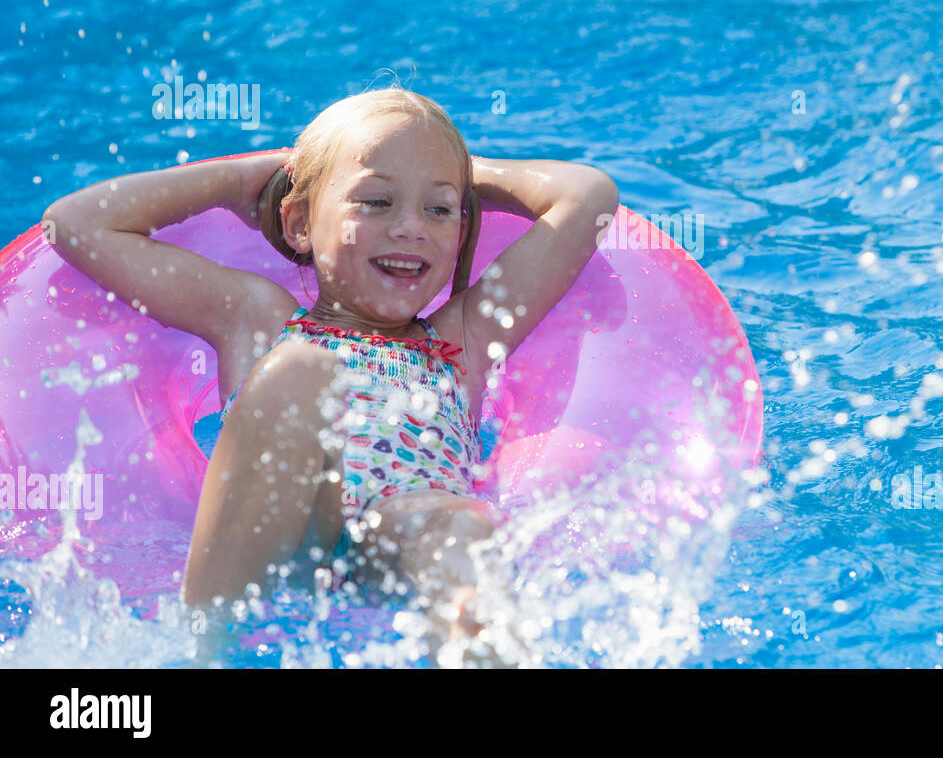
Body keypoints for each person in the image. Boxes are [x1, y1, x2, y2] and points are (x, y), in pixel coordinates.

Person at [40, 86, 619, 661]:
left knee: (461, 526)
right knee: (301, 373)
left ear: (462, 229)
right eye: (375, 202)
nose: (410, 227)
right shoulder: (257, 318)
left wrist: (464, 177)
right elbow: (76, 223)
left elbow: (588, 195)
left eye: (438, 210)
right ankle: (211, 650)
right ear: (299, 225)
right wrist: (247, 183)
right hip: (286, 532)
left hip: (398, 528)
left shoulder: (461, 339)